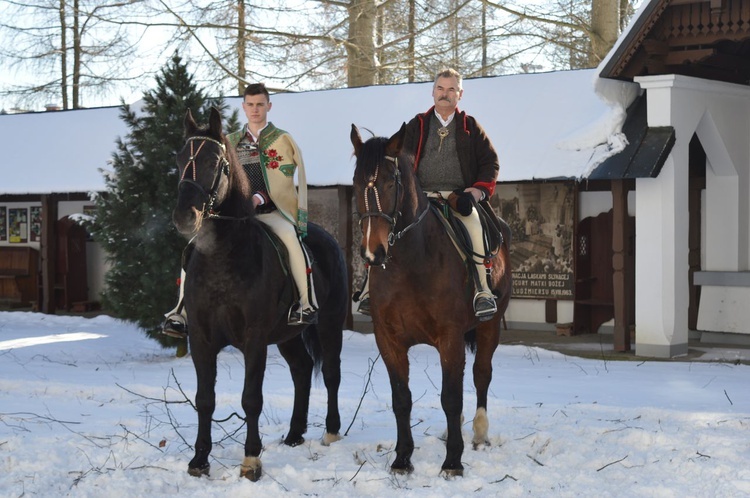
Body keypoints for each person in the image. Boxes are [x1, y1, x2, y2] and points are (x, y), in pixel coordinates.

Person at [163, 83, 318, 338]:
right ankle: (181, 310)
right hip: (234, 217)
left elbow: (282, 179)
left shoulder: (282, 140)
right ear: (244, 107)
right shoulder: (229, 142)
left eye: (260, 104)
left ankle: (305, 302)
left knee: (290, 238)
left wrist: (257, 197)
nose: (255, 109)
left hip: (269, 211)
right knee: (194, 244)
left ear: (268, 106)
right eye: (250, 104)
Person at [358, 67, 500, 320]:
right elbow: (396, 161)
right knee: (383, 226)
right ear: (432, 92)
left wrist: (477, 193)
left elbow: (490, 163)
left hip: (459, 198)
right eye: (440, 89)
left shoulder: (470, 126)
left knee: (475, 227)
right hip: (420, 197)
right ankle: (370, 289)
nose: (445, 94)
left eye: (451, 89)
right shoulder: (417, 125)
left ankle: (483, 291)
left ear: (460, 94)